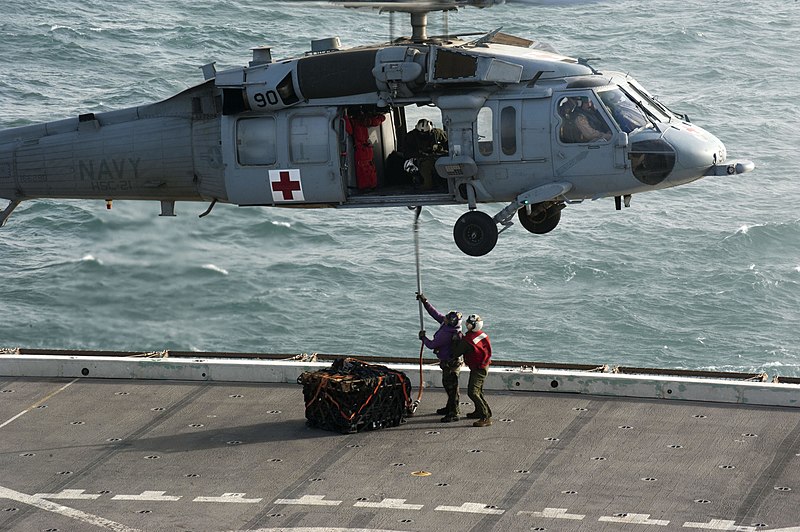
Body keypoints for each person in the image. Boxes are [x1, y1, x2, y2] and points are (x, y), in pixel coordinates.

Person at [416, 292, 463, 422]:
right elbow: (435, 314)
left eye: (447, 317)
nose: (445, 317)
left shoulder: (447, 334)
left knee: (451, 388)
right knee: (450, 386)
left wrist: (423, 338)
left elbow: (431, 345)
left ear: (451, 321)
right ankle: (450, 407)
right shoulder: (450, 326)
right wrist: (425, 302)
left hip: (450, 364)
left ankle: (454, 413)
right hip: (450, 362)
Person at [453, 314, 493, 427]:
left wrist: (455, 341)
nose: (467, 324)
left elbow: (456, 352)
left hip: (478, 369)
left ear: (474, 325)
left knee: (473, 392)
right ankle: (479, 411)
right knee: (478, 390)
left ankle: (486, 416)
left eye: (469, 323)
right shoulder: (482, 334)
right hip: (484, 365)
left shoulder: (468, 340)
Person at [404, 119, 448, 190]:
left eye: (426, 133)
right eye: (421, 134)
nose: (423, 135)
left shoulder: (437, 133)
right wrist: (420, 154)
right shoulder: (411, 137)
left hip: (437, 157)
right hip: (421, 159)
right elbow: (407, 152)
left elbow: (448, 140)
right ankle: (427, 184)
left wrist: (439, 149)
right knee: (425, 165)